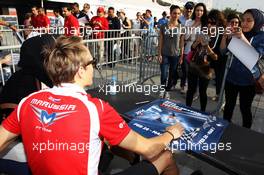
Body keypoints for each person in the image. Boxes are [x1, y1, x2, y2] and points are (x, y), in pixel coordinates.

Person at [0, 36, 184, 175]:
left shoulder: (28, 102)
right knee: (165, 156)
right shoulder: (96, 109)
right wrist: (170, 133)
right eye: (92, 62)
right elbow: (149, 148)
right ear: (80, 71)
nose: (95, 66)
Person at [221, 9, 264, 128]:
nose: (244, 23)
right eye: (243, 20)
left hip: (249, 81)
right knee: (229, 106)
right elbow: (223, 51)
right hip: (231, 77)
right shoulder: (238, 32)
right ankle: (225, 128)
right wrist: (226, 37)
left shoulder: (261, 37)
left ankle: (246, 132)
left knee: (245, 109)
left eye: (249, 20)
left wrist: (242, 38)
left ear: (258, 22)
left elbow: (256, 56)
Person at [186, 3, 218, 112]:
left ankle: (202, 112)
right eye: (208, 22)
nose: (210, 25)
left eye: (213, 23)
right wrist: (197, 42)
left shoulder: (216, 37)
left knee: (202, 92)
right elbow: (192, 48)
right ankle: (187, 109)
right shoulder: (202, 31)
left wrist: (206, 46)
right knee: (190, 90)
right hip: (194, 65)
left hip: (206, 68)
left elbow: (215, 57)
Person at [158, 5, 184, 92]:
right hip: (164, 53)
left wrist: (181, 55)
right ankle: (162, 89)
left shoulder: (181, 27)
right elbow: (160, 41)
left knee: (172, 74)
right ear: (170, 13)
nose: (176, 15)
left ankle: (168, 90)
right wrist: (159, 54)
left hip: (175, 54)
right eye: (174, 13)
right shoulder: (163, 26)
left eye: (178, 13)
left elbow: (182, 42)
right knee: (164, 74)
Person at [206, 10, 227, 102]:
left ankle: (220, 96)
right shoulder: (210, 28)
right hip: (212, 56)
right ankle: (199, 92)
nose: (210, 23)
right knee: (206, 75)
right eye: (209, 21)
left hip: (221, 57)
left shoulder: (222, 29)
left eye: (213, 21)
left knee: (219, 77)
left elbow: (213, 44)